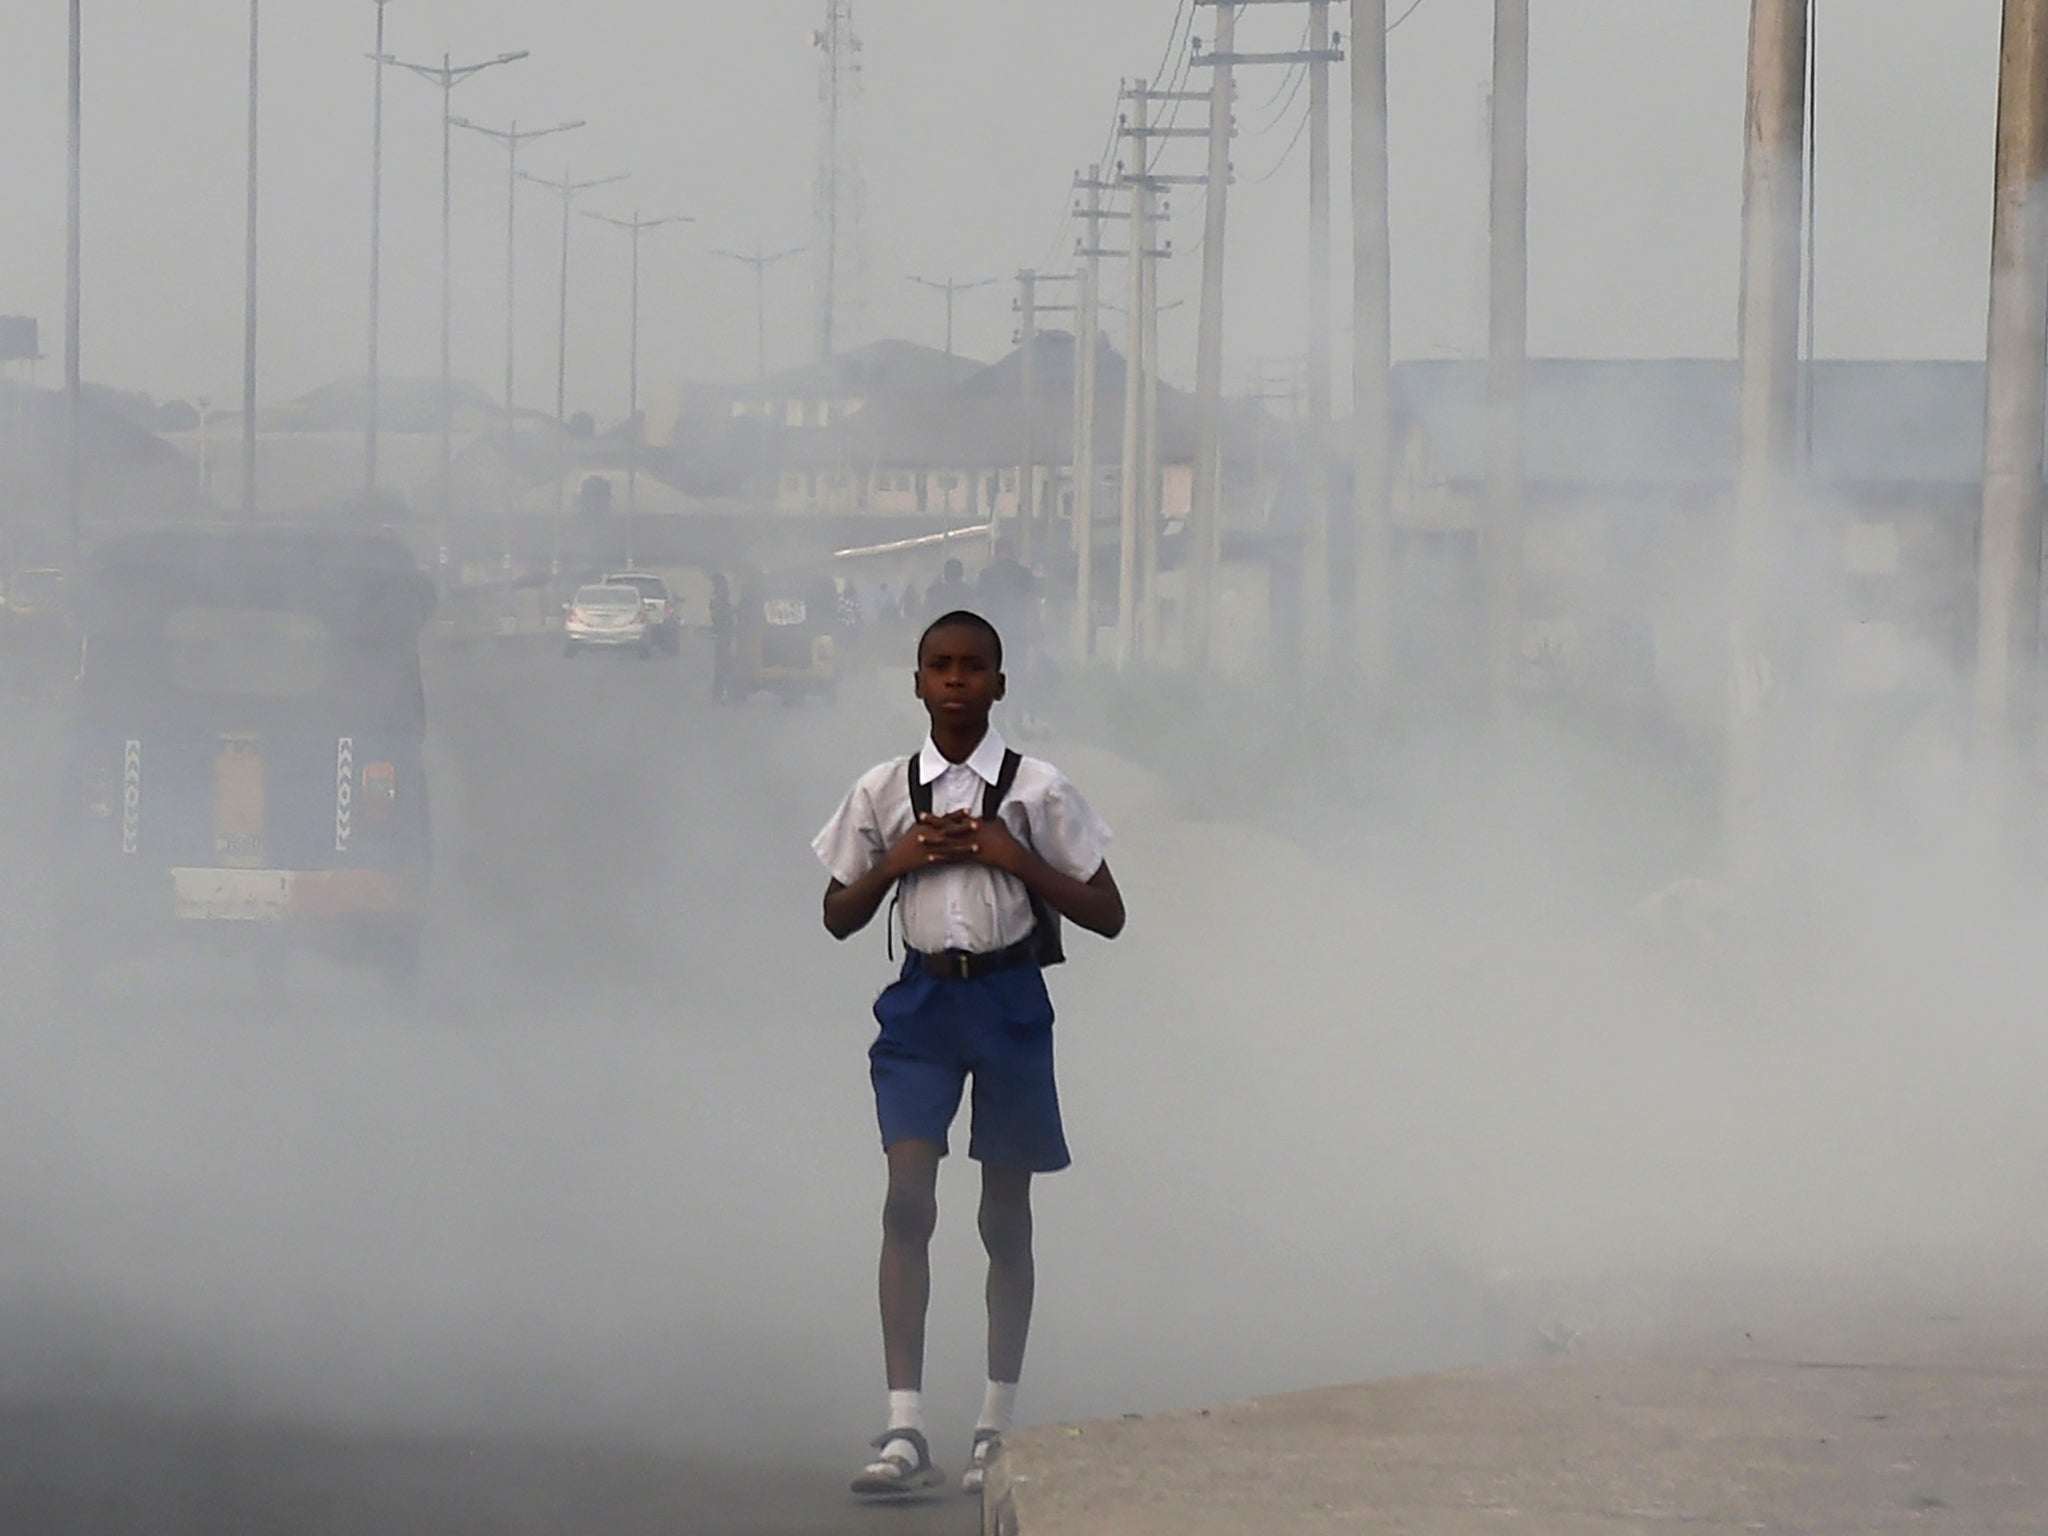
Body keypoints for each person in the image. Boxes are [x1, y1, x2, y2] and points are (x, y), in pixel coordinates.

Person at [814, 610, 1127, 1499]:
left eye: (973, 668)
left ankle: (996, 1421)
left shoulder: (1037, 791)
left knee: (1004, 1214)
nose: (955, 681)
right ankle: (905, 1424)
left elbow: (1106, 911)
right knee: (907, 1197)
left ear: (999, 685)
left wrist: (1012, 857)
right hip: (921, 1002)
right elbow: (837, 914)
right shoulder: (883, 790)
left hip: (1008, 1001)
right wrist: (897, 862)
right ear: (917, 684)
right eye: (939, 668)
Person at [709, 572, 736, 704]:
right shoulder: (719, 599)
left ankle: (719, 695)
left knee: (722, 667)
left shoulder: (716, 598)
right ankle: (727, 695)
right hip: (723, 636)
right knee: (725, 667)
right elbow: (720, 617)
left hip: (722, 635)